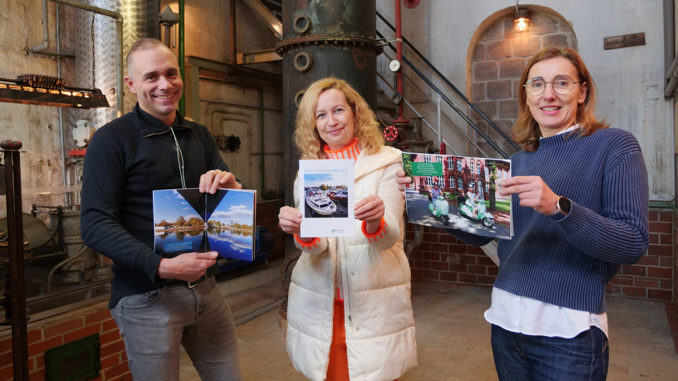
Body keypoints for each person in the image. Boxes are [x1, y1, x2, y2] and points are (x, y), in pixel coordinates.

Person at [397, 46, 649, 380]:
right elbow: (481, 233)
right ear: (526, 95)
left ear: (582, 92)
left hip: (569, 330)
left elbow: (632, 242)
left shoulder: (614, 145)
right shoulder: (516, 162)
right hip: (505, 322)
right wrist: (429, 198)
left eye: (562, 83)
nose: (549, 94)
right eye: (537, 84)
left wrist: (559, 208)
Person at [81, 38, 243, 381]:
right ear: (132, 84)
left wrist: (235, 188)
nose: (164, 85)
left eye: (171, 73)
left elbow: (226, 198)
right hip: (146, 299)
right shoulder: (112, 140)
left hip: (206, 291)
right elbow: (95, 224)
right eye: (151, 76)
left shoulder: (198, 135)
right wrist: (162, 266)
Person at [278, 77, 417, 380]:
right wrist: (300, 230)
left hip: (373, 300)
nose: (332, 122)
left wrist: (374, 222)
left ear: (355, 113)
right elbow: (315, 248)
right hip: (320, 301)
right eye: (321, 115)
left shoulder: (388, 162)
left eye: (338, 110)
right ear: (313, 125)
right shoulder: (309, 172)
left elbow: (391, 239)